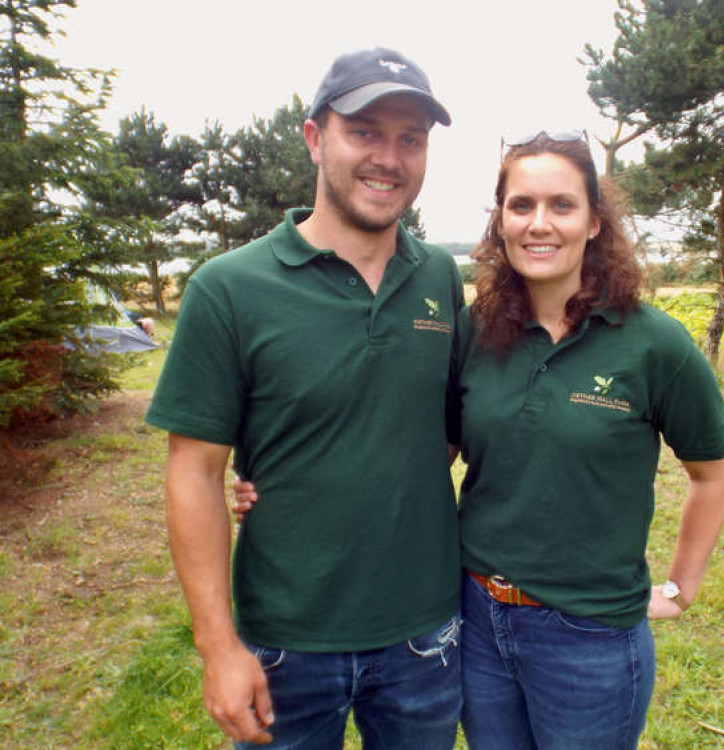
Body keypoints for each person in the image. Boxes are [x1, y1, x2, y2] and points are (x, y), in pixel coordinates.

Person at [236, 131, 724, 749]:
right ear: (500, 220)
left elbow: (711, 471)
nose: (539, 224)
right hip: (474, 618)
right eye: (521, 205)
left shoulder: (655, 344)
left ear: (596, 223)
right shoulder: (474, 330)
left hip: (589, 633)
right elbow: (427, 444)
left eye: (562, 205)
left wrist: (682, 589)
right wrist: (289, 485)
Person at [145, 47, 464, 749]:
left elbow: (446, 427)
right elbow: (193, 470)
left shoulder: (439, 276)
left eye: (410, 138)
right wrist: (218, 647)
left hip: (424, 636)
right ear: (316, 138)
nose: (389, 156)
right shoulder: (228, 288)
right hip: (284, 642)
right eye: (365, 131)